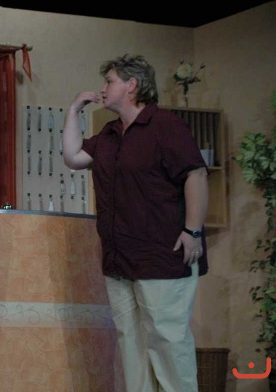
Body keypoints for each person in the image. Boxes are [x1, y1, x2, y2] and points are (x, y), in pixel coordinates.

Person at [62, 54, 208, 392]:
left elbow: (196, 174)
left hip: (162, 254)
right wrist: (73, 111)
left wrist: (193, 231)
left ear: (132, 85)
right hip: (120, 258)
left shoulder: (165, 125)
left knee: (167, 341)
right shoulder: (110, 133)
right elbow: (73, 157)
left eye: (109, 81)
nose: (103, 88)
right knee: (131, 342)